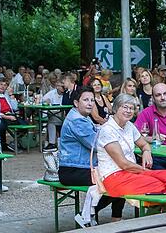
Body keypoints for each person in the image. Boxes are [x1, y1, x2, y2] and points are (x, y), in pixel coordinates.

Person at [95, 94, 166, 212]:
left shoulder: (129, 126)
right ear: (116, 108)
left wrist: (146, 152)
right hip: (114, 176)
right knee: (160, 185)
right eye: (125, 107)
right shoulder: (107, 130)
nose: (128, 111)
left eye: (131, 108)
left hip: (132, 172)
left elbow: (144, 144)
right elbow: (123, 164)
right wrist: (144, 170)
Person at [59, 87, 125, 227]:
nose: (90, 103)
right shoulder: (77, 121)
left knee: (120, 176)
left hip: (83, 167)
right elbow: (96, 144)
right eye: (85, 100)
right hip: (72, 170)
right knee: (115, 180)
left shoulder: (82, 117)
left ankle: (111, 218)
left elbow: (98, 131)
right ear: (76, 103)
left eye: (92, 100)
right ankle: (88, 213)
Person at [0, 78, 25, 152]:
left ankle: (13, 143)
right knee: (1, 125)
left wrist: (11, 95)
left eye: (5, 85)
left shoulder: (6, 95)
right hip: (0, 116)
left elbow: (15, 108)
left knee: (25, 125)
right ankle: (3, 145)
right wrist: (7, 116)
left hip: (10, 114)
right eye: (1, 84)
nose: (2, 86)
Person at [42, 80, 67, 150]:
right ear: (57, 87)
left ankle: (52, 143)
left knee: (52, 120)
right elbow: (44, 99)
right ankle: (52, 143)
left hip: (65, 114)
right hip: (55, 114)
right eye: (61, 86)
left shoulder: (67, 93)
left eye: (64, 86)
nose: (63, 88)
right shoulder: (52, 93)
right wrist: (46, 101)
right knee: (52, 118)